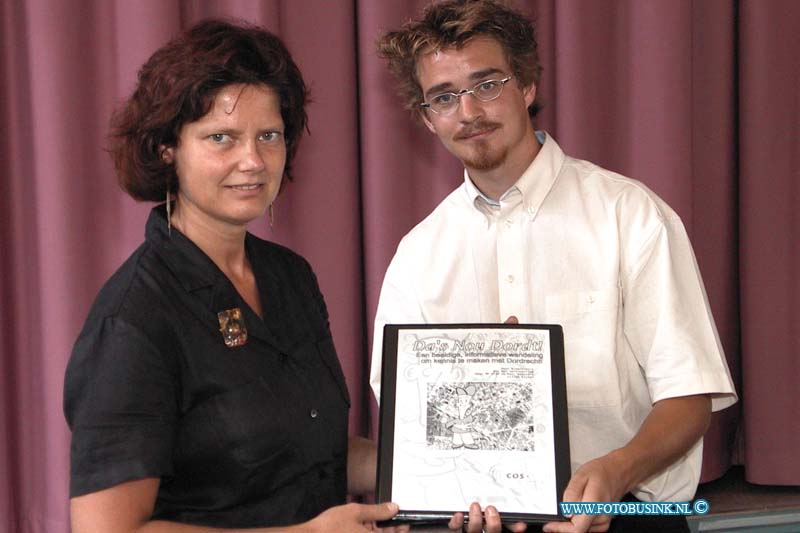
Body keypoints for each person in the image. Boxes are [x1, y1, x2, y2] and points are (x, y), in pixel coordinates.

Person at [370, 1, 737, 532]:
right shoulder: (417, 254)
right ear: (428, 120)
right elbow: (408, 417)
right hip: (472, 519)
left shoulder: (629, 215)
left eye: (487, 84)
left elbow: (689, 396)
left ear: (526, 87)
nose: (469, 113)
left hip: (627, 510)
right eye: (444, 98)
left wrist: (614, 472)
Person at [63, 19, 403, 532]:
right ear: (167, 149)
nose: (252, 160)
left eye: (269, 135)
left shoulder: (291, 277)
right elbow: (107, 530)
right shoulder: (133, 320)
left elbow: (310, 449)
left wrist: (443, 467)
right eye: (221, 137)